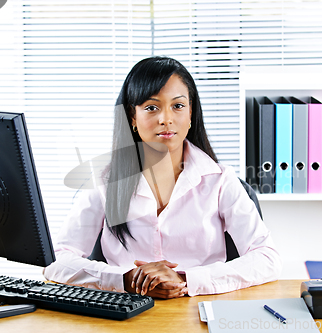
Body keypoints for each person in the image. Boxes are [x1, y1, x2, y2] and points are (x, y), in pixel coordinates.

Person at [43, 56, 282, 299]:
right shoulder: (104, 182)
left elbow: (267, 257)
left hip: (201, 308)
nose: (165, 118)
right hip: (124, 313)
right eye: (151, 107)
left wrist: (186, 279)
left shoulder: (220, 181)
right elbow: (58, 260)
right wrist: (124, 279)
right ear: (132, 117)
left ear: (191, 113)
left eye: (177, 106)